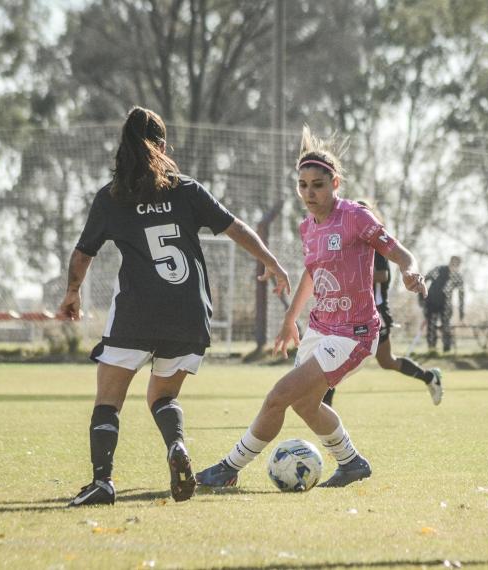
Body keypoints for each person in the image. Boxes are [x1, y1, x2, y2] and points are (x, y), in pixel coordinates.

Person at [58, 106, 290, 507]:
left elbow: (82, 254)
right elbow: (236, 228)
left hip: (137, 311)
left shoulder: (111, 198)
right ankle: (176, 446)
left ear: (124, 148)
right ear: (163, 146)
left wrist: (72, 292)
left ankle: (102, 482)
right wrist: (271, 261)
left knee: (108, 401)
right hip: (188, 314)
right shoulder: (186, 190)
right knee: (162, 397)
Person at [196, 126, 427, 489]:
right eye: (302, 185)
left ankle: (229, 467)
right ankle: (352, 463)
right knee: (305, 405)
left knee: (278, 397)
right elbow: (311, 273)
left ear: (335, 184)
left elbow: (399, 252)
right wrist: (291, 320)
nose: (308, 193)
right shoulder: (308, 227)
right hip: (319, 328)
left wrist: (410, 270)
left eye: (317, 185)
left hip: (355, 333)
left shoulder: (356, 217)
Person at [322, 202, 443, 408]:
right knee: (382, 361)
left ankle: (430, 377)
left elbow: (383, 274)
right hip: (351, 310)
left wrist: (349, 274)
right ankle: (430, 377)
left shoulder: (374, 242)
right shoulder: (347, 241)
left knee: (381, 361)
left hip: (375, 311)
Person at [422, 256, 465, 352]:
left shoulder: (458, 277)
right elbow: (424, 279)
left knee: (446, 325)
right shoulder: (438, 270)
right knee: (431, 326)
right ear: (450, 262)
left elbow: (461, 295)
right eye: (453, 263)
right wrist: (422, 299)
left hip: (445, 304)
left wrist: (461, 314)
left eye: (457, 264)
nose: (455, 266)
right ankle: (432, 349)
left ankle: (446, 349)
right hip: (431, 302)